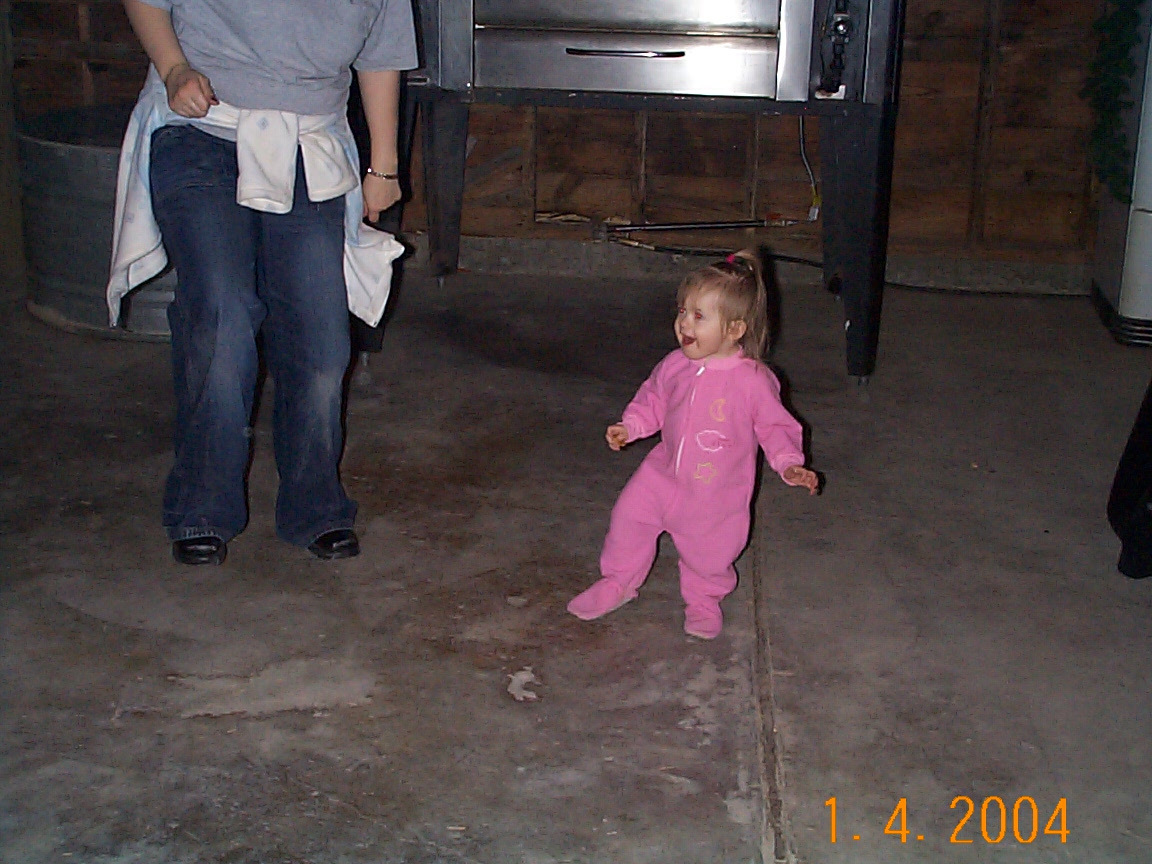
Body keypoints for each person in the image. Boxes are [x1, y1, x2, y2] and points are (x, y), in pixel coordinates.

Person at [107, 0, 416, 565]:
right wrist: (174, 68)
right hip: (202, 133)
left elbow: (382, 53)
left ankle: (314, 506)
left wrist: (384, 166)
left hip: (309, 145)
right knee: (222, 315)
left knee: (322, 343)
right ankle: (202, 507)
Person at [567, 250, 819, 639]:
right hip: (661, 474)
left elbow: (774, 426)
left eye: (699, 316)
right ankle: (617, 582)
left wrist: (788, 462)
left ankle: (704, 600)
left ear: (734, 329)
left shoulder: (752, 381)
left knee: (710, 552)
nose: (684, 323)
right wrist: (631, 426)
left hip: (713, 492)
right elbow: (653, 398)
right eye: (683, 311)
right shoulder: (675, 364)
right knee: (628, 521)